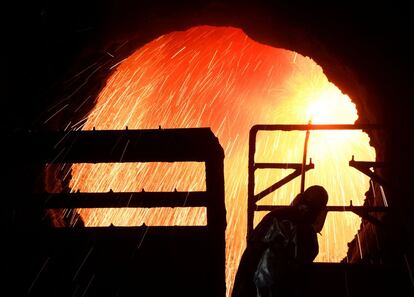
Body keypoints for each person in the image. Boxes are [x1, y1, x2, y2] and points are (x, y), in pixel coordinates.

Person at [232, 185, 329, 297]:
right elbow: (303, 264)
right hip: (269, 289)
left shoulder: (274, 215)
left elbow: (253, 245)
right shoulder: (305, 230)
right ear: (319, 211)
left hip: (246, 286)